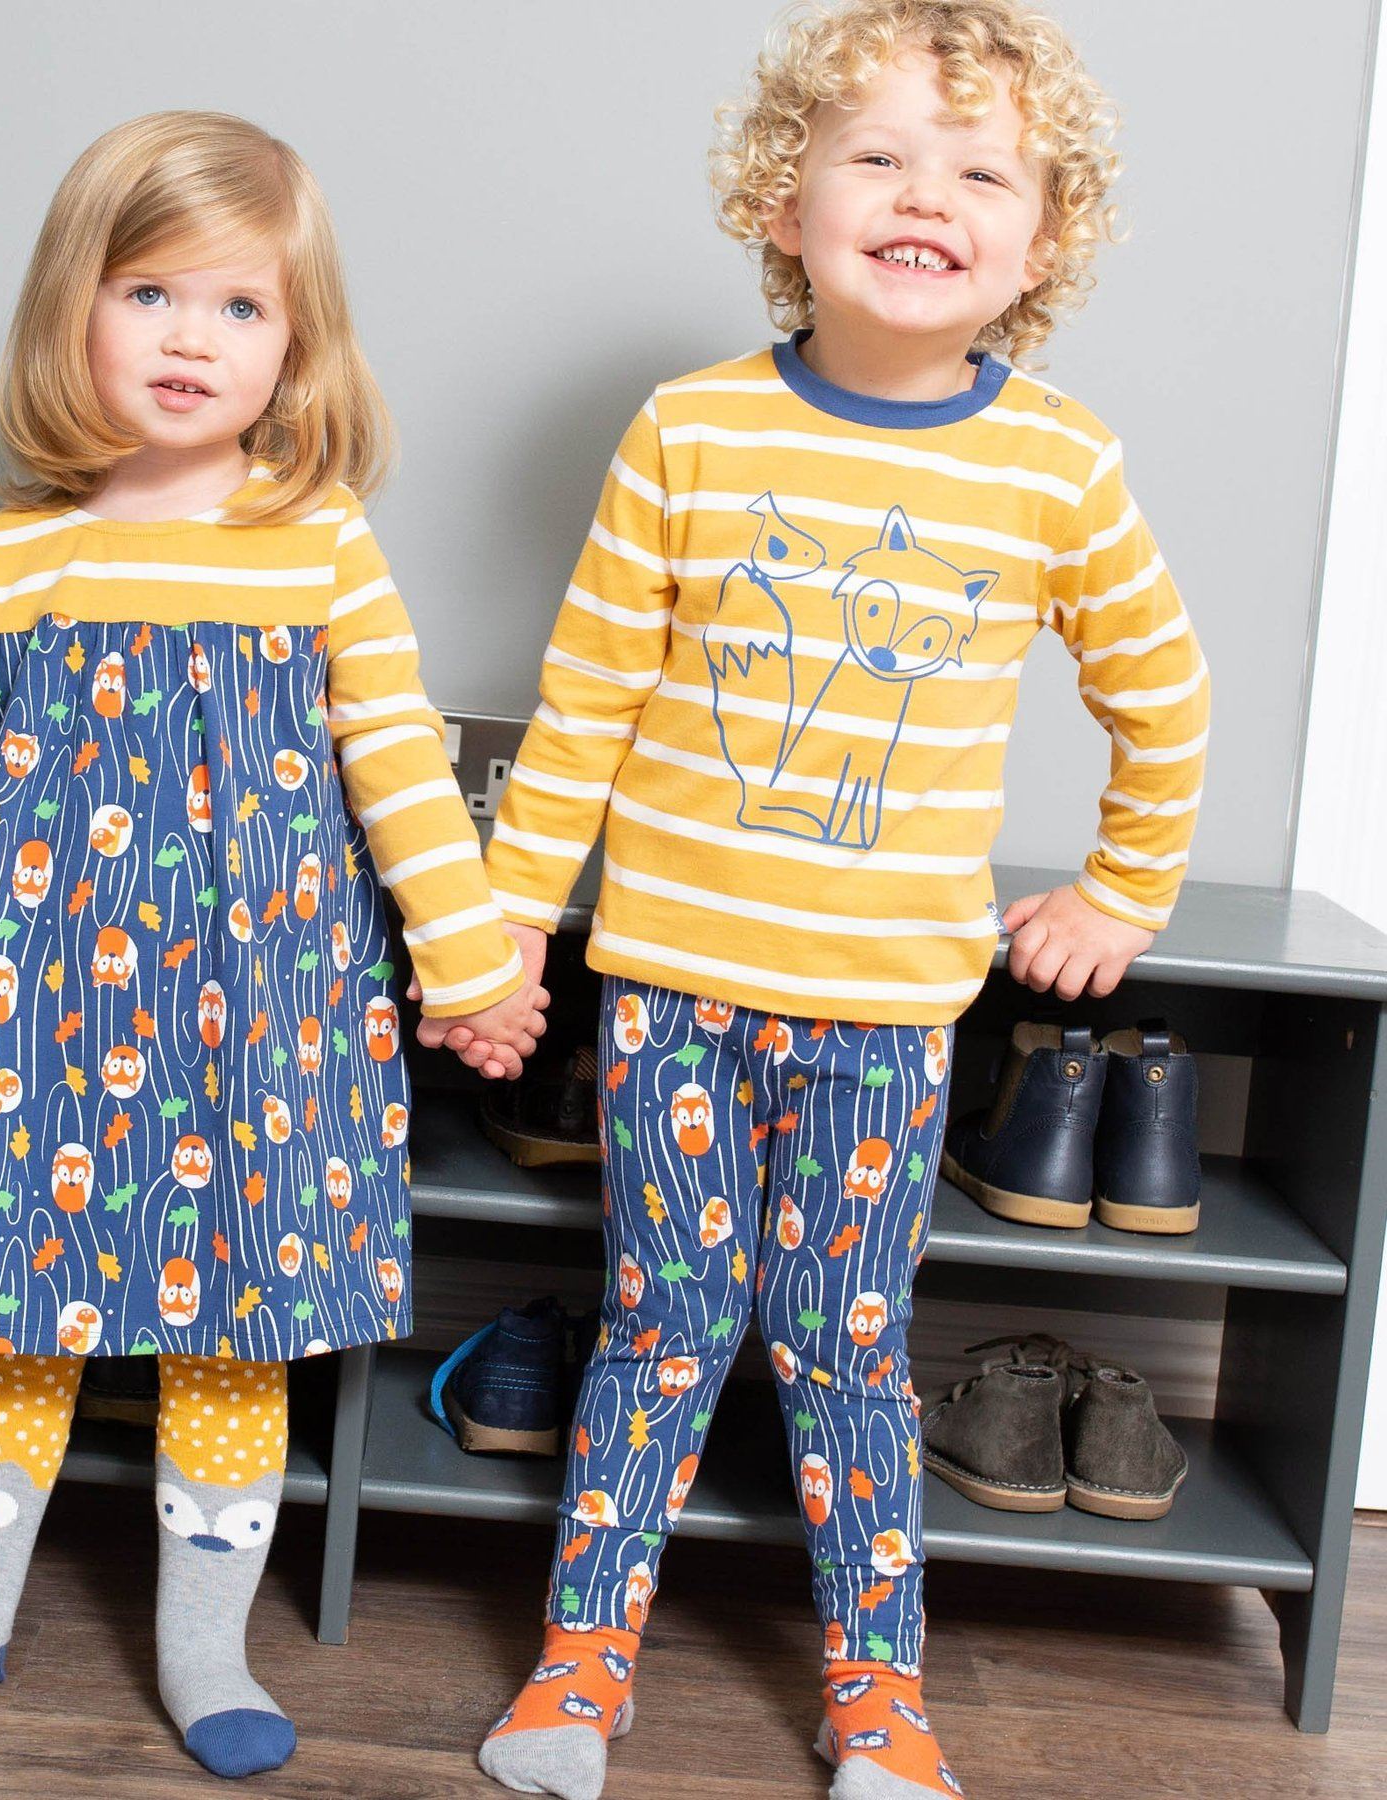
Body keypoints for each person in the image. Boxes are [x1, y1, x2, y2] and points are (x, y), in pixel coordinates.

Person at [450, 4, 1209, 1795]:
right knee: (660, 1329)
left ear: (1042, 241)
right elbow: (586, 703)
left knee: (846, 1349)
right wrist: (499, 928)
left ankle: (879, 1689)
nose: (924, 196)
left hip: (886, 1018)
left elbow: (1161, 694)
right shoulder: (690, 432)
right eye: (876, 157)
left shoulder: (1057, 466)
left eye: (981, 173)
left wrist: (1124, 890)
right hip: (674, 992)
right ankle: (581, 1663)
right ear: (785, 206)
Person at [0, 110, 545, 1778]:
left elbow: (399, 767)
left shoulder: (319, 545)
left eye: (240, 307)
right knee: (14, 1322)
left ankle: (204, 1652)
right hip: (36, 1015)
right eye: (149, 291)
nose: (189, 337)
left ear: (295, 346)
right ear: (73, 309)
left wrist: (472, 965)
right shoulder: (9, 556)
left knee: (234, 1331)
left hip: (264, 1020)